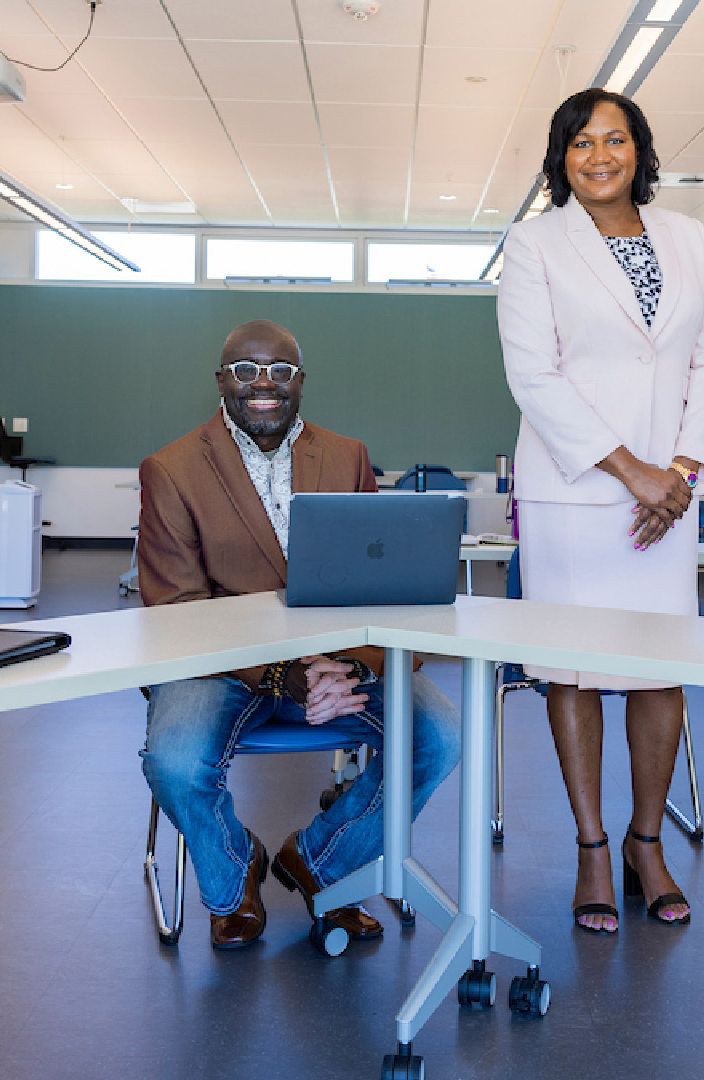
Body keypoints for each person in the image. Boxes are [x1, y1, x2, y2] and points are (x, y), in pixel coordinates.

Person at [135, 319, 461, 950]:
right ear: (221, 381)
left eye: (280, 370)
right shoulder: (172, 469)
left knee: (441, 737)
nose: (264, 384)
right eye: (246, 370)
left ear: (301, 381)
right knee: (173, 763)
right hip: (221, 666)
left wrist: (357, 668)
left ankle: (321, 864)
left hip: (340, 657)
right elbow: (176, 611)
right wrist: (287, 675)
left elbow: (385, 583)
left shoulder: (346, 457)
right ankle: (236, 875)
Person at [496, 87, 704, 933]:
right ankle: (593, 849)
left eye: (616, 139)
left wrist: (677, 473)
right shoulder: (533, 246)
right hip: (577, 490)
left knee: (658, 670)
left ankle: (647, 842)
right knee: (574, 669)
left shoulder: (688, 238)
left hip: (669, 494)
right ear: (561, 158)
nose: (599, 155)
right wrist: (631, 470)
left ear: (641, 149)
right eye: (581, 142)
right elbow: (535, 375)